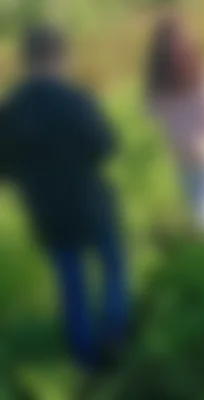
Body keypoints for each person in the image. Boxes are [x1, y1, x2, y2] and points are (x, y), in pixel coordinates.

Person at [0, 25, 127, 371]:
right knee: (113, 266)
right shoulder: (75, 99)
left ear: (27, 60)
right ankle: (115, 334)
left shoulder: (11, 108)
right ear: (59, 57)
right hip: (90, 200)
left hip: (47, 208)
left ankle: (86, 356)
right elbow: (104, 145)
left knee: (71, 281)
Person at [146, 17, 204, 236]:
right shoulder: (162, 88)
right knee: (198, 223)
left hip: (203, 162)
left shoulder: (202, 81)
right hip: (184, 163)